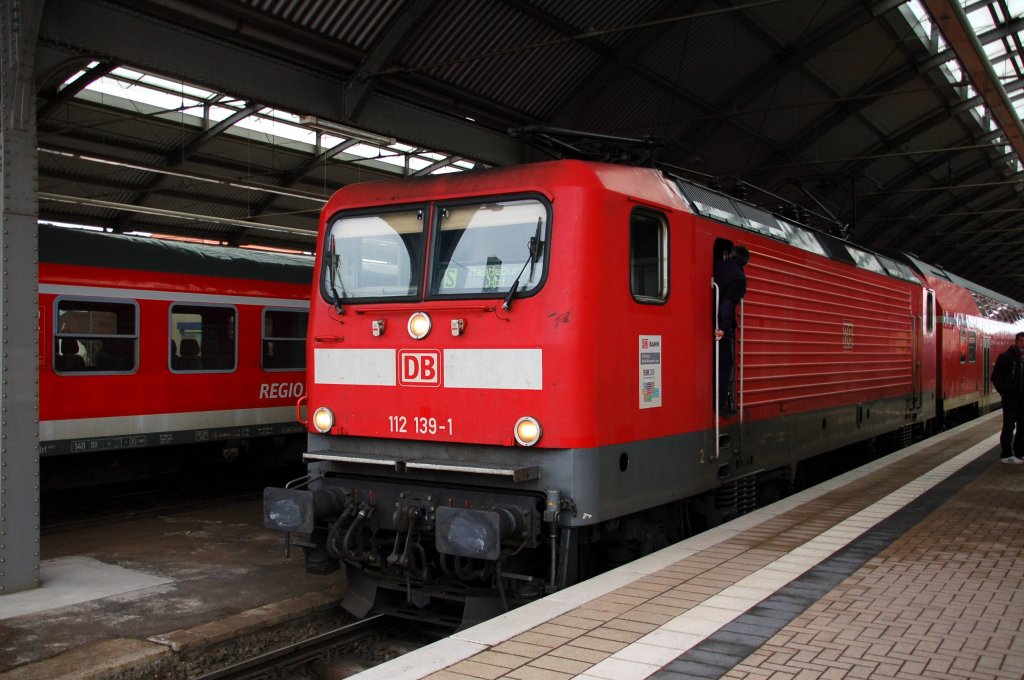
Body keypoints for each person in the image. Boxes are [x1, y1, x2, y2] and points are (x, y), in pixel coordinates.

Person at [714, 245, 750, 416]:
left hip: (703, 320)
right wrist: (721, 329)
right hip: (719, 329)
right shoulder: (738, 277)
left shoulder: (717, 265)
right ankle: (719, 406)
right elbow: (727, 306)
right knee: (725, 364)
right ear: (745, 262)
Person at [991, 331, 1024, 464]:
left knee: (1023, 426)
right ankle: (1006, 454)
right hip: (1010, 397)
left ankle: (1020, 453)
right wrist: (1004, 393)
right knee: (1009, 426)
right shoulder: (1005, 357)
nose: (1023, 344)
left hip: (1023, 399)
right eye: (1021, 341)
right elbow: (995, 377)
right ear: (1016, 341)